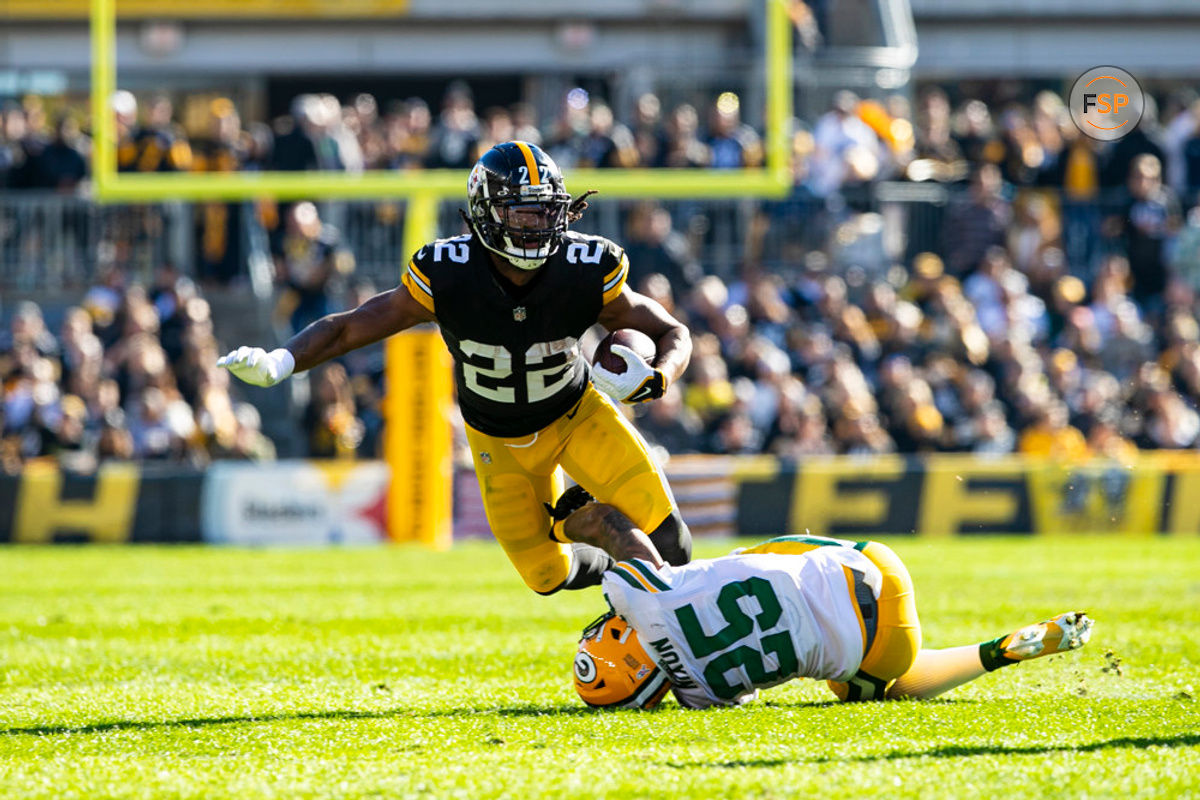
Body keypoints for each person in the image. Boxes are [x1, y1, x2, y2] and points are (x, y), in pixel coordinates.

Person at [218, 141, 694, 594]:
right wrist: (281, 360)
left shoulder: (585, 265)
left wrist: (659, 377)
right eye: (520, 211)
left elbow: (675, 332)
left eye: (544, 210)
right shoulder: (448, 272)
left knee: (673, 543)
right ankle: (579, 521)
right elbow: (351, 326)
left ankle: (649, 621)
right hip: (497, 441)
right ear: (485, 214)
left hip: (576, 415)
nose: (536, 225)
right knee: (546, 576)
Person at [560, 492, 1091, 709]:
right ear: (617, 641)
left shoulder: (701, 699)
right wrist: (569, 518)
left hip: (888, 651)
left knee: (857, 685)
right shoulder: (638, 600)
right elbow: (620, 531)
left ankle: (993, 653)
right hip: (873, 566)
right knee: (756, 557)